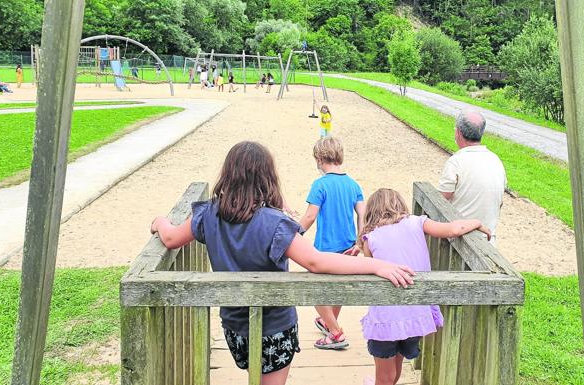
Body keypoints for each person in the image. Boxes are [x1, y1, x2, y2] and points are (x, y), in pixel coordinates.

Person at [150, 141, 415, 385]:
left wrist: (160, 222)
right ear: (268, 177)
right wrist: (377, 265)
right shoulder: (274, 223)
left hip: (235, 329)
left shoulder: (208, 214)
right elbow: (316, 261)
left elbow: (172, 238)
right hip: (275, 328)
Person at [358, 188, 490, 385]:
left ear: (372, 212)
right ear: (400, 205)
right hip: (415, 312)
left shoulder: (371, 239)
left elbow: (371, 266)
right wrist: (477, 222)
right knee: (397, 363)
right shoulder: (417, 222)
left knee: (384, 374)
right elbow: (454, 230)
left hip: (386, 316)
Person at [299, 137, 365, 350]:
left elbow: (310, 217)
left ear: (319, 159)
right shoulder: (353, 184)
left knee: (317, 291)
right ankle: (328, 321)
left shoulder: (320, 185)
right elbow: (362, 215)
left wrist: (294, 235)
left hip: (326, 247)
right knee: (338, 289)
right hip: (348, 246)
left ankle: (336, 333)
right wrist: (359, 242)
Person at [438, 110, 506, 245]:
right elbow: (500, 201)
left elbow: (440, 199)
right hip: (488, 239)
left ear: (458, 132)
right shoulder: (495, 160)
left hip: (461, 242)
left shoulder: (456, 161)